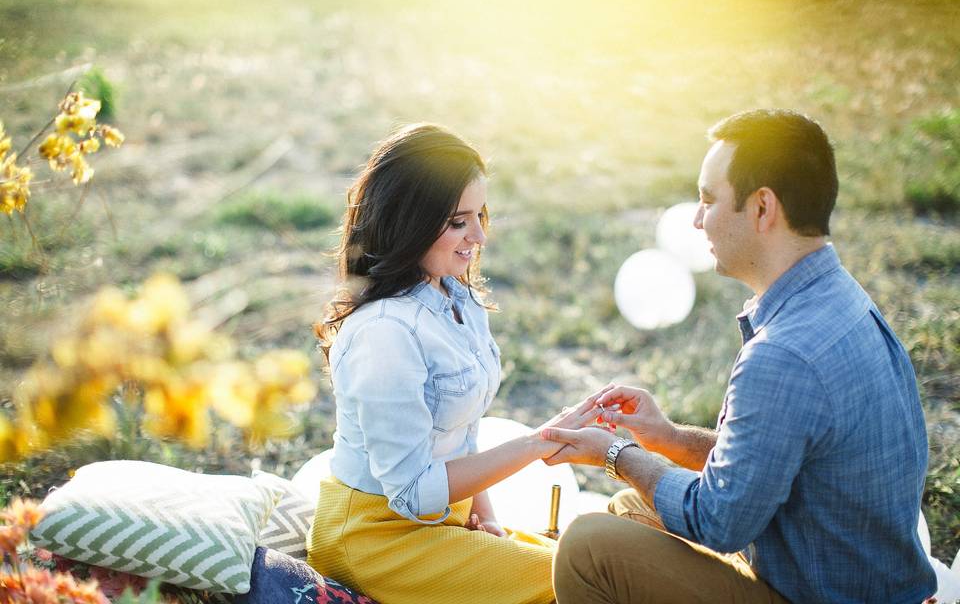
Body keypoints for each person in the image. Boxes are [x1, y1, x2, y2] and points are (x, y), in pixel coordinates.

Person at [541, 109, 937, 603]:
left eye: (708, 199)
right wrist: (667, 437)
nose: (696, 218)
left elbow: (719, 521)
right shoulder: (841, 298)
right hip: (849, 579)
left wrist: (615, 452)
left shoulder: (784, 354)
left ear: (762, 208)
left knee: (587, 548)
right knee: (631, 509)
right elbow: (764, 468)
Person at [309, 123, 601, 604]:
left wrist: (483, 517)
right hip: (373, 539)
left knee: (596, 561)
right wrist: (537, 444)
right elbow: (412, 494)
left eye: (480, 215)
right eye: (459, 222)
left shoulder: (457, 299)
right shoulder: (385, 333)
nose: (480, 236)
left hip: (442, 517)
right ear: (411, 222)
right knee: (583, 581)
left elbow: (461, 435)